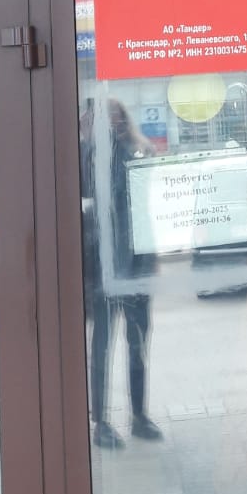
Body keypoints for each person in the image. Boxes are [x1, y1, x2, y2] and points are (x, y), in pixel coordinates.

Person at [83, 99, 163, 449]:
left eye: (118, 118)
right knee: (102, 346)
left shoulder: (137, 152)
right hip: (102, 267)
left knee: (137, 343)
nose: (113, 124)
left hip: (136, 262)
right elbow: (86, 210)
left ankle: (139, 416)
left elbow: (145, 209)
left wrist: (150, 259)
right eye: (106, 119)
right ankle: (101, 422)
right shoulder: (86, 156)